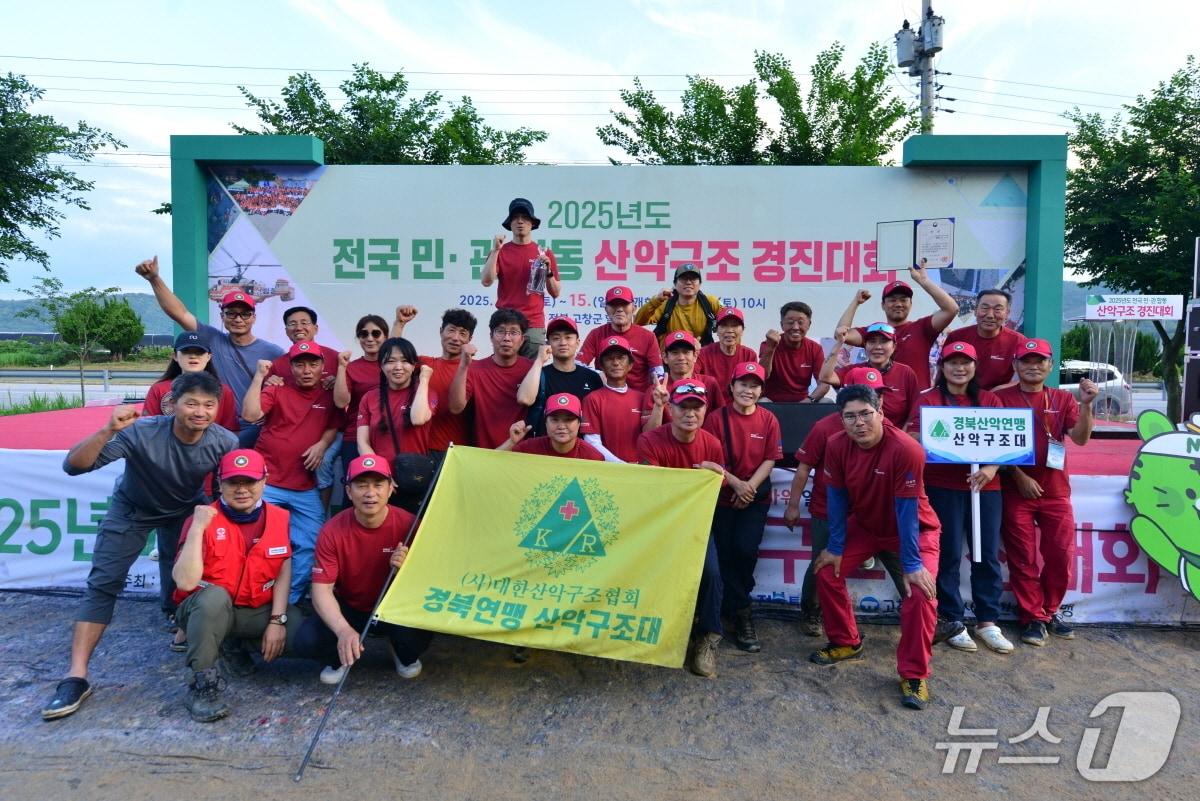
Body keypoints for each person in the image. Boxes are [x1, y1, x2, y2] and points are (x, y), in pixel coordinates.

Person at [41, 372, 237, 720]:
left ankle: (181, 630)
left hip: (183, 510)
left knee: (188, 582)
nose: (200, 412)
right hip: (133, 510)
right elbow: (73, 466)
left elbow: (230, 493)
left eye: (209, 405)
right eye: (191, 403)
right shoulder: (141, 431)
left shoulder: (224, 442)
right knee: (103, 584)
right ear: (172, 404)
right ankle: (76, 676)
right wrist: (109, 430)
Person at [808, 384, 941, 710]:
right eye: (850, 417)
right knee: (826, 570)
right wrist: (836, 546)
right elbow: (836, 499)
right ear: (841, 420)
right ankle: (846, 641)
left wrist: (912, 564)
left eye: (866, 414)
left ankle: (914, 674)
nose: (859, 423)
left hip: (914, 531)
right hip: (868, 526)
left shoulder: (906, 448)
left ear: (880, 412)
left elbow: (907, 510)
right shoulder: (837, 445)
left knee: (921, 594)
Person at [171, 449, 302, 722]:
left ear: (264, 481)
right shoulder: (201, 519)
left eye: (250, 482)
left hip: (252, 610)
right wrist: (197, 529)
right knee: (214, 598)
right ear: (220, 483)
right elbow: (185, 581)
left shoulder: (279, 517)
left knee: (307, 633)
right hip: (205, 611)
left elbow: (283, 568)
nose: (242, 490)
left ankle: (232, 646)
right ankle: (202, 685)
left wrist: (277, 621)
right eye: (233, 483)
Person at [905, 342, 1012, 654]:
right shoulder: (928, 400)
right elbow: (911, 439)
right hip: (942, 487)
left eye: (965, 363)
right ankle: (952, 619)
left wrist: (992, 469)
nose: (959, 368)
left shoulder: (991, 401)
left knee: (986, 553)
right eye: (952, 362)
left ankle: (988, 620)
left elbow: (1009, 442)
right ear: (942, 366)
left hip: (986, 488)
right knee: (949, 553)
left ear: (975, 367)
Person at [784, 367, 905, 637]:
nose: (876, 398)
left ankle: (919, 613)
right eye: (867, 392)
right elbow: (803, 467)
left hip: (872, 514)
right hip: (828, 510)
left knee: (902, 563)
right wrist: (792, 505)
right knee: (822, 562)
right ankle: (811, 612)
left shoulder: (886, 428)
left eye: (878, 394)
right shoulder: (824, 428)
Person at [995, 338, 1097, 646]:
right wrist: (1019, 475)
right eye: (1026, 361)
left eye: (1040, 361)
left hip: (1055, 492)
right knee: (1023, 558)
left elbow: (1080, 438)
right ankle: (1032, 618)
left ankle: (1049, 610)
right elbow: (996, 445)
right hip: (1016, 491)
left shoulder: (1063, 400)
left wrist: (1087, 404)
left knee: (1059, 556)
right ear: (1015, 366)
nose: (1033, 366)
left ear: (1050, 366)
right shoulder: (1000, 398)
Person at [294, 456, 432, 683]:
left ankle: (398, 648)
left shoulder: (410, 525)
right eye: (361, 485)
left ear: (390, 488)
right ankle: (344, 653)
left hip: (393, 605)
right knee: (307, 640)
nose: (370, 493)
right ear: (348, 491)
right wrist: (342, 631)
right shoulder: (332, 530)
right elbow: (321, 591)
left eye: (378, 485)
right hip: (350, 606)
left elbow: (428, 582)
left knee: (416, 638)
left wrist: (406, 572)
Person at [135, 255, 284, 446]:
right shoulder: (211, 339)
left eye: (245, 314)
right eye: (231, 313)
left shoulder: (273, 352)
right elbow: (179, 313)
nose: (238, 319)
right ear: (222, 316)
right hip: (213, 422)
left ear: (254, 318)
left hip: (254, 426)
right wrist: (154, 279)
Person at [637, 380, 727, 678]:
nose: (690, 414)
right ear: (671, 409)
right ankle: (654, 630)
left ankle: (707, 638)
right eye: (683, 407)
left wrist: (719, 477)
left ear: (705, 410)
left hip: (697, 523)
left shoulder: (712, 443)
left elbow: (716, 489)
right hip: (659, 524)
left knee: (712, 574)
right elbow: (651, 489)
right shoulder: (650, 439)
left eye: (696, 407)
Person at [242, 343, 339, 604]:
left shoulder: (330, 393)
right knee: (256, 542)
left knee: (311, 544)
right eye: (300, 364)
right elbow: (250, 415)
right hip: (268, 482)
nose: (307, 370)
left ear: (322, 367)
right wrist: (260, 377)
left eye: (313, 364)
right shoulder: (277, 387)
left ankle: (290, 601)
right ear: (291, 367)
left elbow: (334, 424)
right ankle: (253, 599)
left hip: (304, 486)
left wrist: (322, 444)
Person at [701, 362, 782, 653]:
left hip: (754, 497)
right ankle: (737, 611)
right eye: (743, 384)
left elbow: (770, 459)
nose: (748, 390)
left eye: (754, 385)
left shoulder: (769, 419)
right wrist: (735, 484)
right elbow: (710, 459)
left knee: (745, 551)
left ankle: (739, 608)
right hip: (722, 496)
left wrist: (748, 489)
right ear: (732, 386)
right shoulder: (714, 418)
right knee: (722, 554)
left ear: (761, 390)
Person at [835, 266, 959, 390]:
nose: (898, 304)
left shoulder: (922, 327)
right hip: (881, 401)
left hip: (916, 402)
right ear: (883, 305)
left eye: (903, 300)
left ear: (911, 304)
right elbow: (841, 334)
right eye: (892, 300)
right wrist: (855, 303)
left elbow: (951, 309)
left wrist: (924, 281)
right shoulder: (874, 332)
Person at [356, 337, 436, 510]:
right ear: (381, 365)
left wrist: (424, 379)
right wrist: (381, 473)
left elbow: (418, 418)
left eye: (405, 361)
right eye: (391, 361)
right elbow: (362, 442)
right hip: (380, 483)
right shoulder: (369, 398)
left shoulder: (425, 393)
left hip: (415, 478)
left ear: (414, 365)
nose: (398, 367)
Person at [482, 198, 560, 360]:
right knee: (503, 374)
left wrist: (549, 272)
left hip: (533, 325)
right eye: (515, 218)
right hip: (506, 324)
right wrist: (495, 250)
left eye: (525, 218)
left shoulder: (544, 253)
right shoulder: (500, 251)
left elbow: (556, 292)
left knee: (532, 375)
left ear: (532, 223)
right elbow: (486, 281)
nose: (520, 222)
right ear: (509, 224)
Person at [392, 306, 477, 452]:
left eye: (462, 333)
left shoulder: (475, 369)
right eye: (451, 330)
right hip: (419, 448)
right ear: (440, 331)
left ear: (469, 339)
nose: (456, 338)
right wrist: (399, 324)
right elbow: (394, 356)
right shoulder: (425, 363)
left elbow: (457, 408)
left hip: (457, 451)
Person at [449, 309, 535, 449]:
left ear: (522, 340)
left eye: (513, 332)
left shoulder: (533, 369)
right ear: (491, 336)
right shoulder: (475, 369)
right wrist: (463, 365)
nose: (506, 338)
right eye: (500, 331)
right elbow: (455, 407)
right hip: (485, 454)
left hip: (524, 454)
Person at [819, 322, 919, 426]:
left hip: (895, 435)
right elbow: (825, 376)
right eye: (872, 342)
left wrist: (903, 436)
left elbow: (914, 411)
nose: (878, 347)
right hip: (860, 433)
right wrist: (839, 343)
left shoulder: (906, 373)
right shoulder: (855, 370)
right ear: (865, 346)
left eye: (884, 342)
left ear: (894, 346)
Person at [518, 316, 603, 437]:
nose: (563, 343)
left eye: (568, 337)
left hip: (581, 450)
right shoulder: (539, 374)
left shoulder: (592, 377)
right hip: (543, 449)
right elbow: (524, 399)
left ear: (578, 342)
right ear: (548, 344)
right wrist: (539, 360)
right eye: (556, 338)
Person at [144, 331, 239, 432]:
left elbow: (230, 430)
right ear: (175, 356)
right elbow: (148, 427)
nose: (193, 356)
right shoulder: (158, 389)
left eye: (199, 352)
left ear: (208, 356)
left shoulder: (223, 390)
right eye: (186, 351)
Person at [578, 285, 664, 392]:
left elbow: (657, 372)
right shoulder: (596, 334)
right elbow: (579, 365)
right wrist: (598, 374)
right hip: (604, 395)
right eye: (614, 305)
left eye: (624, 304)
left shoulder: (648, 336)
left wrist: (654, 392)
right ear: (606, 309)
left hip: (639, 398)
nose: (619, 309)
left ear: (634, 308)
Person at [332, 314, 391, 471]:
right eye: (364, 334)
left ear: (386, 336)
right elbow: (341, 402)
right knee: (353, 489)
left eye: (376, 333)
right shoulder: (351, 367)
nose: (370, 338)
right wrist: (341, 367)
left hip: (388, 436)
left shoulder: (394, 367)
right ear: (358, 338)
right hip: (355, 437)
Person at [942, 289, 1023, 391]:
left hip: (999, 399)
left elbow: (1027, 376)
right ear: (975, 310)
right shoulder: (957, 337)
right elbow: (942, 370)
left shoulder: (1018, 341)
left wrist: (1001, 389)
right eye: (984, 308)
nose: (990, 315)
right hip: (960, 396)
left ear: (1007, 313)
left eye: (997, 309)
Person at [642, 331, 723, 431]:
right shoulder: (656, 390)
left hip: (703, 444)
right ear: (665, 357)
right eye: (675, 353)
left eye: (686, 352)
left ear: (695, 356)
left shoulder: (710, 384)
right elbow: (648, 432)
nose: (681, 358)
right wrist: (659, 407)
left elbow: (722, 422)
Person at [581, 336, 644, 462]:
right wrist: (621, 465)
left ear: (630, 365)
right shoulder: (593, 399)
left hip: (640, 470)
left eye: (621, 358)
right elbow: (592, 442)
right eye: (610, 358)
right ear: (601, 366)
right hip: (608, 471)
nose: (615, 363)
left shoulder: (642, 398)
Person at [635, 263, 723, 346]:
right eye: (683, 278)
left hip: (701, 356)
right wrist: (656, 300)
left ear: (700, 284)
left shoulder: (710, 302)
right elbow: (639, 321)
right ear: (675, 284)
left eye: (693, 278)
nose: (688, 282)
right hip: (670, 357)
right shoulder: (664, 303)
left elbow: (730, 322)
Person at [758, 301, 829, 403]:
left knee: (826, 402)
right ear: (782, 325)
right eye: (790, 322)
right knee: (763, 402)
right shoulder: (768, 344)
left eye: (801, 323)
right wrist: (771, 348)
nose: (795, 327)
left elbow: (824, 384)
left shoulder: (815, 348)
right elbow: (762, 376)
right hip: (772, 403)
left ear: (809, 325)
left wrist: (810, 400)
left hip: (803, 403)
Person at [500, 392, 604, 460]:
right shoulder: (529, 449)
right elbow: (492, 464)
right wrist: (512, 442)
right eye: (555, 419)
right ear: (545, 422)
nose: (561, 426)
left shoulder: (593, 457)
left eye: (568, 420)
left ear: (579, 423)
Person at [265, 306, 340, 386]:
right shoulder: (277, 365)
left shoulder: (336, 358)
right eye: (292, 324)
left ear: (316, 328)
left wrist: (341, 382)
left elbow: (351, 389)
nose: (299, 328)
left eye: (304, 323)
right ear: (286, 331)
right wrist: (269, 384)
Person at [696, 308, 758, 394]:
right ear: (716, 330)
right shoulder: (702, 353)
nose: (729, 330)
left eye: (735, 325)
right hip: (710, 405)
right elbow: (692, 380)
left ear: (743, 330)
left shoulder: (749, 355)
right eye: (724, 325)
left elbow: (752, 387)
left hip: (738, 404)